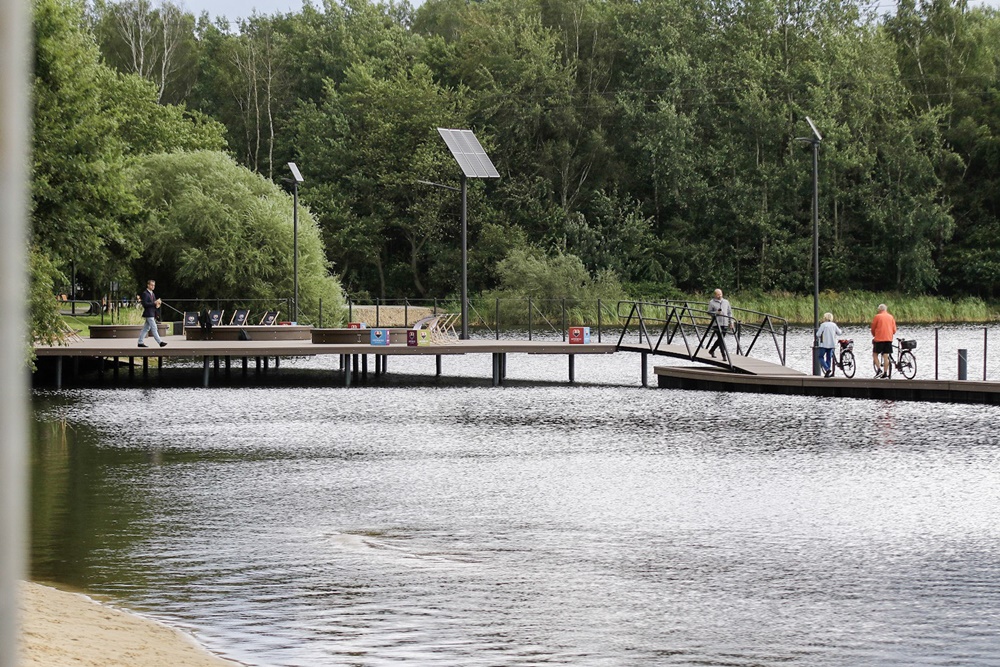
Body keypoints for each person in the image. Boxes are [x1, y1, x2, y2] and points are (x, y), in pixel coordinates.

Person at [137, 279, 167, 348]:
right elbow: (145, 304)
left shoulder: (152, 293)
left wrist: (157, 304)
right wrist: (154, 303)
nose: (153, 286)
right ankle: (160, 342)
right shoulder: (145, 293)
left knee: (146, 328)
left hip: (152, 313)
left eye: (154, 285)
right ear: (148, 285)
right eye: (152, 285)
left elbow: (153, 303)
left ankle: (140, 342)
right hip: (148, 313)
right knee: (154, 327)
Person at [707, 288, 735, 360]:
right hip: (716, 323)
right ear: (715, 295)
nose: (720, 295)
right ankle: (724, 356)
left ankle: (711, 350)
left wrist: (731, 322)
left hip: (725, 323)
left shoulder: (726, 302)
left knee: (720, 339)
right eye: (718, 294)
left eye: (721, 294)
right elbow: (709, 312)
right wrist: (716, 313)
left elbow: (729, 312)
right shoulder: (712, 302)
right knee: (721, 339)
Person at [870, 303, 896, 378]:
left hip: (879, 339)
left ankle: (878, 370)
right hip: (888, 339)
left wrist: (874, 335)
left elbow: (873, 328)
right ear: (886, 309)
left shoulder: (877, 317)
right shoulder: (891, 317)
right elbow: (894, 330)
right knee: (886, 356)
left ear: (879, 309)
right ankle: (885, 373)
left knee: (875, 354)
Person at [816, 312, 844, 378]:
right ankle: (828, 371)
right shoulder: (834, 325)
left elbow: (818, 334)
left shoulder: (823, 325)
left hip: (823, 344)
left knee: (820, 357)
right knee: (829, 358)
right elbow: (839, 333)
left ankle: (827, 369)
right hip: (832, 344)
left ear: (825, 318)